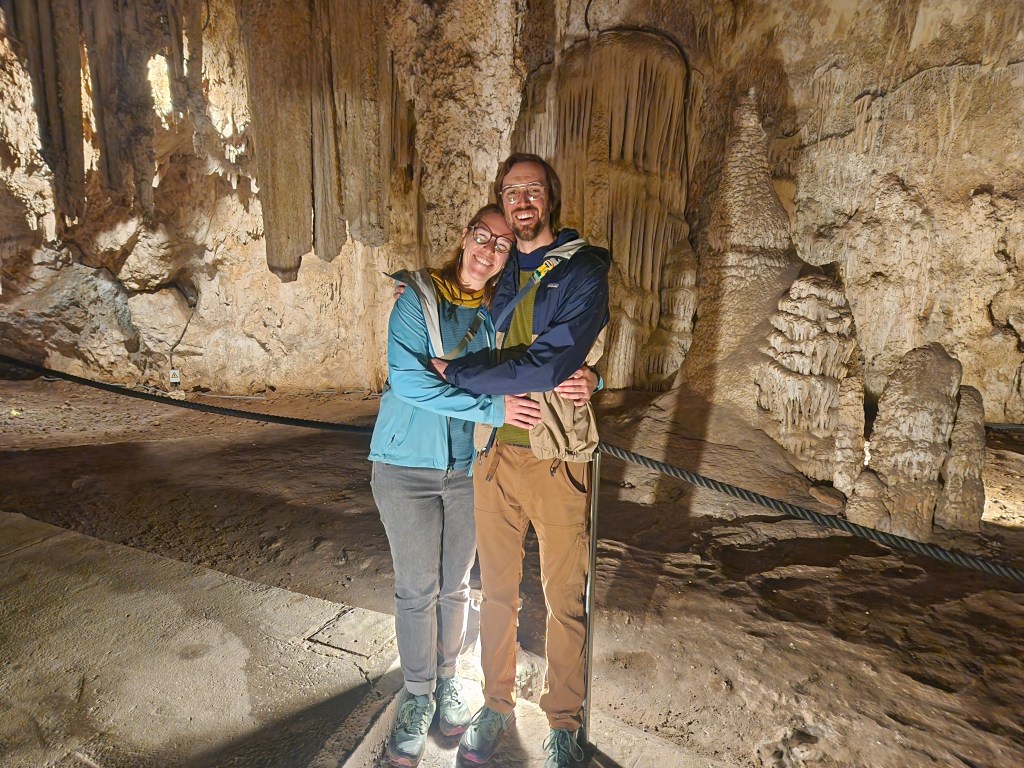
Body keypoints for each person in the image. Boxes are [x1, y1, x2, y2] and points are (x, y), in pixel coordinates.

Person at [434, 154, 611, 768]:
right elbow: (458, 297)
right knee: (496, 593)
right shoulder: (503, 268)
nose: (523, 201)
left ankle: (562, 722)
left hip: (556, 454)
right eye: (512, 192)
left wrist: (461, 375)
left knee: (564, 597)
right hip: (494, 455)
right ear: (502, 202)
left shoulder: (584, 269)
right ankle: (496, 703)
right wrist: (415, 288)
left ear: (550, 198)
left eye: (533, 190)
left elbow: (550, 363)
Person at [368, 204, 543, 767]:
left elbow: (540, 358)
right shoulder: (417, 300)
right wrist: (492, 408)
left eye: (501, 245)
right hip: (405, 467)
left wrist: (592, 377)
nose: (488, 250)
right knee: (416, 588)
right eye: (482, 237)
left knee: (455, 586)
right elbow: (409, 382)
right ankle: (417, 696)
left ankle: (446, 681)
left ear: (507, 257)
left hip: (467, 470)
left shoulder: (496, 316)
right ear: (465, 237)